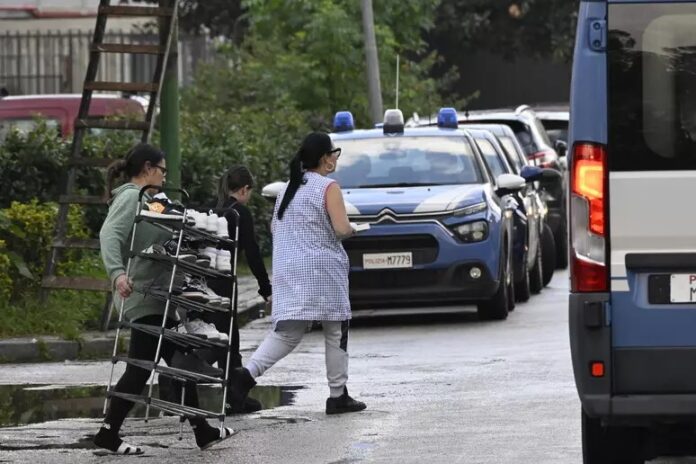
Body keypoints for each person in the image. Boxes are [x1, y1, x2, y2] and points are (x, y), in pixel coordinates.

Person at [94, 143, 234, 455]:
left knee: (180, 360)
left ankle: (202, 430)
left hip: (160, 294)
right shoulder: (131, 196)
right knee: (142, 368)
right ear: (147, 168)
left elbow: (163, 221)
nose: (164, 175)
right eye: (162, 170)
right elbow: (109, 235)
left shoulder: (149, 200)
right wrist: (118, 274)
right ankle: (108, 432)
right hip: (143, 294)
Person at [227, 132, 367, 415]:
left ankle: (245, 377)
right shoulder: (328, 187)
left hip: (289, 270)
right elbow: (341, 229)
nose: (335, 158)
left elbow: (275, 230)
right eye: (334, 153)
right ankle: (337, 394)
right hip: (322, 271)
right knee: (336, 329)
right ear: (326, 158)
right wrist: (353, 229)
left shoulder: (287, 190)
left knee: (287, 333)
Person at [207, 165, 272, 413]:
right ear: (244, 189)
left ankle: (235, 394)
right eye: (249, 192)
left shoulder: (215, 209)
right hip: (224, 281)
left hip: (206, 278)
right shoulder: (239, 213)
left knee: (228, 336)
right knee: (223, 338)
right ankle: (180, 379)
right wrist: (265, 287)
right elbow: (253, 254)